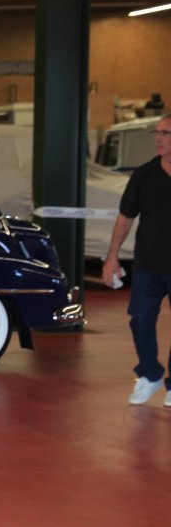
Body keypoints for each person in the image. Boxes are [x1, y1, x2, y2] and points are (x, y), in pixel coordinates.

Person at [102, 114, 171, 406]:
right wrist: (112, 257)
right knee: (140, 319)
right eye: (157, 133)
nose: (158, 139)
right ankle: (149, 374)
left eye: (165, 133)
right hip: (147, 265)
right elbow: (126, 217)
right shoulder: (144, 175)